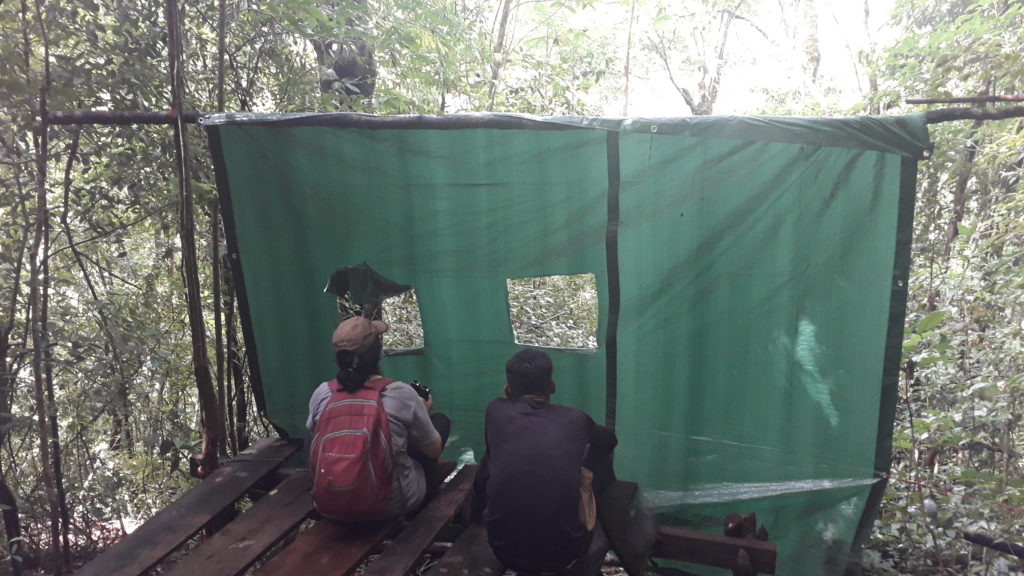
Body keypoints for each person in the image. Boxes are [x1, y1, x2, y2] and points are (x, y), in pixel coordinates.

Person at [473, 349, 654, 576]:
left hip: (505, 551)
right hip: (565, 554)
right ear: (552, 387)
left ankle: (476, 517)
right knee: (597, 458)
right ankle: (628, 544)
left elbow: (490, 465)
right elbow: (609, 440)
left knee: (498, 455)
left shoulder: (495, 411)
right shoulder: (575, 419)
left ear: (507, 390)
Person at [307, 315, 450, 519]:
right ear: (378, 353)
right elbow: (433, 450)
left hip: (331, 507)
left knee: (312, 434)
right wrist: (422, 412)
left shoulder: (323, 393)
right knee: (440, 423)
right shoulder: (400, 393)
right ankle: (426, 505)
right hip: (389, 506)